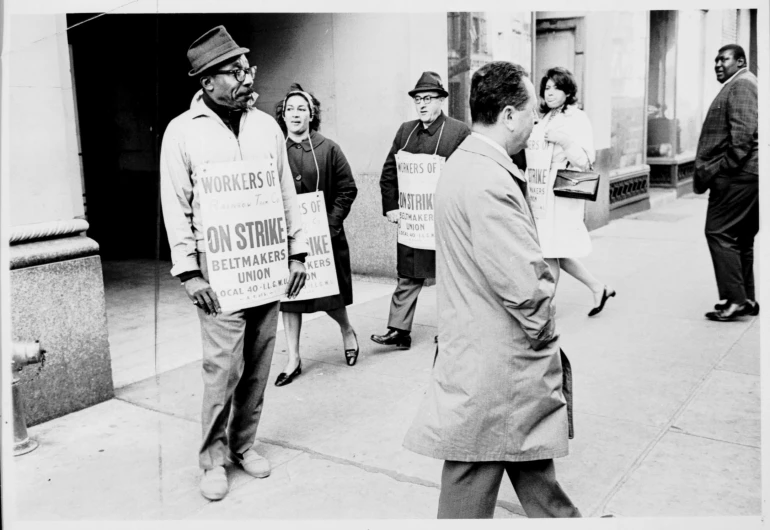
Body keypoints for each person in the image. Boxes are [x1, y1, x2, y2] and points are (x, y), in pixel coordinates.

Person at [403, 61, 580, 519]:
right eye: (531, 113)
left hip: (480, 358)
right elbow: (524, 281)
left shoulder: (465, 164)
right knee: (473, 480)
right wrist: (544, 333)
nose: (535, 122)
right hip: (496, 366)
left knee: (531, 469)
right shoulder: (488, 179)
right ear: (508, 115)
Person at [160, 26, 308, 501]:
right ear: (207, 82)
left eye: (247, 68)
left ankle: (243, 445)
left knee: (259, 365)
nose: (246, 78)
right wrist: (189, 272)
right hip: (218, 272)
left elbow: (285, 191)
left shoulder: (266, 125)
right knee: (221, 368)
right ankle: (211, 458)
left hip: (266, 265)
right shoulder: (182, 133)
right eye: (234, 71)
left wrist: (298, 250)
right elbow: (175, 206)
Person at [372, 71, 471, 349]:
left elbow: (466, 175)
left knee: (451, 275)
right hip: (415, 221)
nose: (423, 105)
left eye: (428, 98)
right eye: (418, 100)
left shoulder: (458, 131)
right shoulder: (406, 131)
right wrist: (391, 206)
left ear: (441, 100)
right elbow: (389, 171)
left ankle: (453, 328)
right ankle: (398, 330)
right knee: (409, 273)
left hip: (444, 219)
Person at [273, 84, 359, 386]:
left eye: (301, 109)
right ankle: (293, 358)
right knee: (290, 297)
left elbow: (348, 188)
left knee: (329, 295)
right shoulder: (274, 148)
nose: (295, 113)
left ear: (312, 115)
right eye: (289, 109)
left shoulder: (328, 148)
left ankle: (347, 330)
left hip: (325, 239)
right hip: (287, 240)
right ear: (282, 115)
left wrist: (330, 224)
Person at [526, 67, 615, 316]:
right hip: (540, 192)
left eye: (556, 87)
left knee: (550, 252)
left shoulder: (577, 118)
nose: (550, 92)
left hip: (560, 193)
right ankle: (598, 287)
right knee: (554, 251)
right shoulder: (544, 117)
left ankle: (544, 310)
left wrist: (564, 140)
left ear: (568, 91)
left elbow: (586, 161)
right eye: (547, 88)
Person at [694, 44, 759, 322]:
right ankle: (747, 299)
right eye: (716, 60)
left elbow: (742, 135)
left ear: (740, 61)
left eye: (724, 59)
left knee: (718, 232)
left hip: (738, 176)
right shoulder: (741, 83)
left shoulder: (742, 84)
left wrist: (723, 172)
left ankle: (735, 299)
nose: (718, 64)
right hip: (747, 176)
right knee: (741, 239)